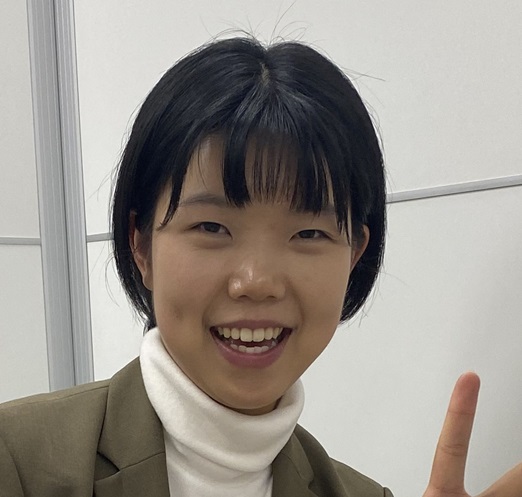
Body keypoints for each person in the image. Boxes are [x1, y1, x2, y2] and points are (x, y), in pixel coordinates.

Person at [0, 36, 520, 497]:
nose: (257, 282)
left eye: (308, 234)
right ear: (141, 246)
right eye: (211, 227)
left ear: (355, 255)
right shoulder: (19, 463)